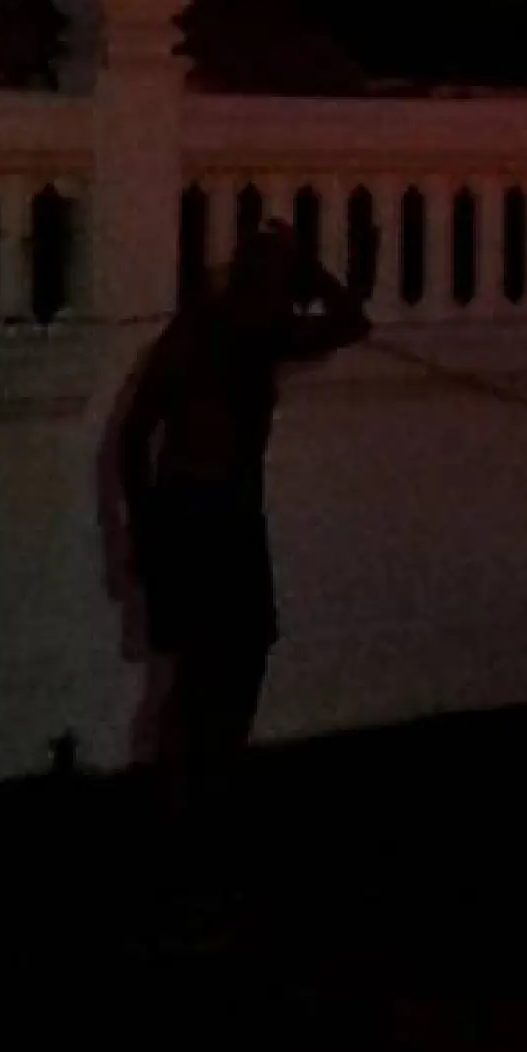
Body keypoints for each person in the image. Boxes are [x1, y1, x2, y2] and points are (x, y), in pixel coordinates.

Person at [117, 218, 368, 934]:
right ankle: (189, 836)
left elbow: (137, 433)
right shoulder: (247, 333)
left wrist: (143, 527)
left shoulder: (215, 331)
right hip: (213, 517)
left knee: (208, 676)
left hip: (193, 514)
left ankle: (186, 829)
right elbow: (352, 320)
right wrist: (312, 269)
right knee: (216, 679)